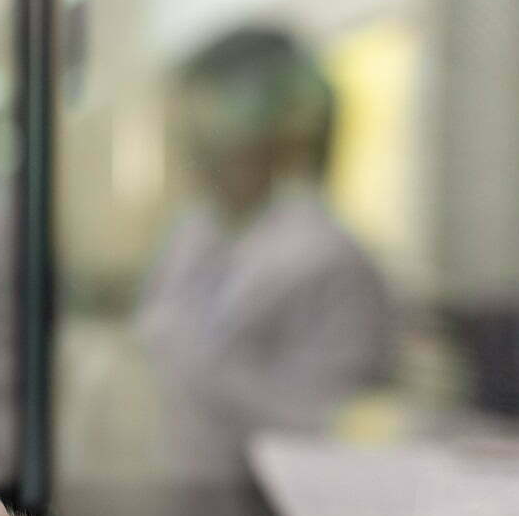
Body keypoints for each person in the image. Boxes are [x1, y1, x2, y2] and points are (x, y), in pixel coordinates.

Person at [133, 26, 395, 483]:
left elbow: (332, 423)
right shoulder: (198, 231)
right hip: (190, 486)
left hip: (275, 503)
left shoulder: (328, 258)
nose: (191, 154)